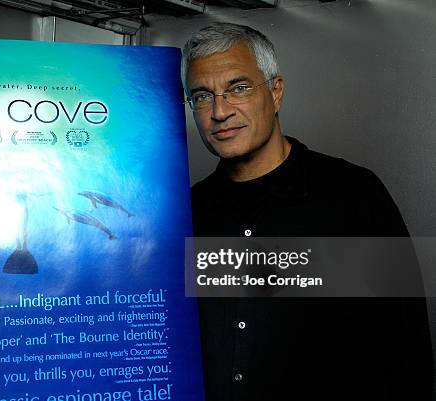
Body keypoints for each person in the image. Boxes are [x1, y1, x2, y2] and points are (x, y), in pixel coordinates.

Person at [183, 23, 433, 401]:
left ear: (276, 92)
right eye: (202, 96)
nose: (219, 111)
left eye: (238, 87)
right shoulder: (188, 211)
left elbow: (406, 347)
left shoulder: (354, 198)